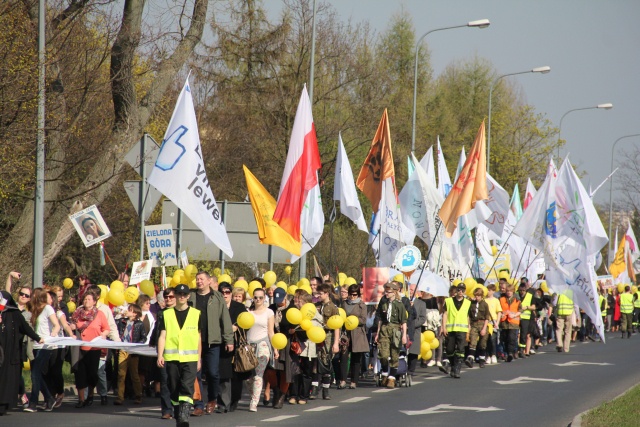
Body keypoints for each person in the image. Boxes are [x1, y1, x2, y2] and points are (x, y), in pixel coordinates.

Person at [188, 271, 234, 415]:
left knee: (213, 373)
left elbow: (225, 319)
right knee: (196, 373)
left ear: (209, 281)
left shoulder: (217, 297)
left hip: (212, 341)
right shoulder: (191, 296)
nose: (199, 281)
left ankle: (212, 398)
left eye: (201, 279)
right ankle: (199, 404)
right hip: (194, 340)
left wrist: (229, 340)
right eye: (197, 279)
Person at [157, 284, 202, 427]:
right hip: (172, 358)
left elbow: (199, 337)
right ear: (175, 295)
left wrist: (199, 357)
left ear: (188, 296)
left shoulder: (196, 314)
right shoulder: (166, 314)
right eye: (179, 294)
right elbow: (162, 336)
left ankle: (184, 416)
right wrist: (160, 355)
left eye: (184, 294)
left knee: (187, 387)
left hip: (190, 359)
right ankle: (178, 414)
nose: (182, 296)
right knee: (174, 389)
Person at [0, 290, 42, 416]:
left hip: (11, 352)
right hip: (1, 351)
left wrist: (38, 338)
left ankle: (4, 404)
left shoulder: (14, 314)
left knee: (8, 380)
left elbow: (26, 328)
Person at [70, 289, 110, 408]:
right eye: (85, 299)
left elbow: (106, 328)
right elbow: (71, 325)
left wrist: (103, 335)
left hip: (94, 349)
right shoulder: (77, 313)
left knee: (92, 374)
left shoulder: (99, 314)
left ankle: (90, 395)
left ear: (94, 302)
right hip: (79, 348)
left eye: (89, 299)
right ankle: (81, 399)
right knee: (80, 374)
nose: (86, 301)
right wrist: (71, 327)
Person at [23, 288, 61, 412]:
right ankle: (49, 398)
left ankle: (33, 403)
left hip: (45, 346)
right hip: (36, 345)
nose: (31, 297)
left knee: (35, 373)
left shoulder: (48, 308)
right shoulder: (35, 310)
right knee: (37, 374)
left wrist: (51, 337)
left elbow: (56, 325)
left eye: (33, 295)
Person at [217, 282, 248, 413]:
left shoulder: (239, 307)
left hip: (236, 346)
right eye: (222, 292)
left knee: (236, 376)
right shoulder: (215, 307)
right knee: (223, 375)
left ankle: (235, 400)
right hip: (221, 345)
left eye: (227, 292)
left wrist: (237, 327)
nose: (225, 295)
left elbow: (247, 323)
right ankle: (223, 403)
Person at [246, 287, 276, 411]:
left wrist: (275, 349)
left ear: (265, 298)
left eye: (261, 297)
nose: (258, 299)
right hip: (249, 346)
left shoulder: (269, 312)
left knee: (258, 375)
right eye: (256, 297)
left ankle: (254, 403)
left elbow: (271, 331)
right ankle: (254, 395)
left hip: (263, 345)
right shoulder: (248, 313)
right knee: (248, 378)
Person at [44, 290, 74, 409]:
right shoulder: (42, 312)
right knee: (46, 371)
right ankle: (50, 396)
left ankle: (60, 393)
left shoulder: (58, 313)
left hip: (58, 346)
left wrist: (71, 334)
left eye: (47, 298)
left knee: (55, 370)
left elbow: (65, 325)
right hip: (46, 345)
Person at [150, 287, 176, 420]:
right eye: (166, 297)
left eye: (171, 297)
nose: (168, 299)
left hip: (179, 353)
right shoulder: (161, 313)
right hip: (164, 351)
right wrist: (152, 341)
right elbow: (158, 329)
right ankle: (166, 410)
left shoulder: (182, 312)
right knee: (164, 381)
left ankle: (178, 408)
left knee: (176, 382)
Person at [374, 282, 408, 387]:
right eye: (386, 291)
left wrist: (404, 335)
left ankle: (392, 378)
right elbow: (379, 318)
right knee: (383, 354)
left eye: (389, 292)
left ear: (394, 292)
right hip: (384, 329)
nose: (386, 294)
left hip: (395, 330)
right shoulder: (383, 302)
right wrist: (378, 332)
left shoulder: (399, 304)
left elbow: (403, 321)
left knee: (394, 354)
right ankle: (384, 372)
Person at [114, 303, 147, 405]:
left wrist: (137, 346)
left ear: (135, 313)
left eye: (129, 310)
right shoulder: (122, 322)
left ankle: (138, 395)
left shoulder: (139, 324)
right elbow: (114, 325)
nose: (127, 311)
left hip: (133, 352)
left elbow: (143, 338)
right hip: (123, 350)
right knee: (121, 374)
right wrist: (119, 314)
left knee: (134, 375)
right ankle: (120, 397)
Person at [339, 284, 370, 387]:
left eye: (354, 295)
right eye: (350, 294)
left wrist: (353, 320)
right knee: (343, 357)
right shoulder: (344, 303)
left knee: (356, 359)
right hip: (346, 334)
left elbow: (364, 319)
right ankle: (343, 380)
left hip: (357, 334)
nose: (352, 297)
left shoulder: (362, 305)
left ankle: (353, 381)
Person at [313, 283, 340, 398]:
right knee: (315, 361)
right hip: (315, 335)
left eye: (320, 293)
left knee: (326, 361)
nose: (318, 295)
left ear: (327, 294)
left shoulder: (333, 308)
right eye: (317, 293)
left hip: (328, 336)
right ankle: (314, 388)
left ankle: (325, 389)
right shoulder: (316, 306)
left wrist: (336, 343)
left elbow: (337, 326)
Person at [441, 283, 470, 379]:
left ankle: (457, 368)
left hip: (462, 329)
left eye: (462, 290)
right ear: (456, 290)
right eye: (459, 290)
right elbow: (445, 314)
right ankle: (453, 365)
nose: (460, 292)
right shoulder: (448, 301)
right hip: (451, 329)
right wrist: (443, 327)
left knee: (460, 350)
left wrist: (468, 328)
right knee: (449, 349)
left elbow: (468, 316)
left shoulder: (468, 302)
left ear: (464, 291)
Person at [467, 287, 492, 368]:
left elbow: (487, 317)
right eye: (475, 296)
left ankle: (482, 360)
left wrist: (484, 328)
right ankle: (470, 358)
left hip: (482, 324)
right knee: (472, 342)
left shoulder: (485, 304)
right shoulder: (472, 303)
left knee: (482, 343)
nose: (476, 297)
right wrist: (469, 326)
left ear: (481, 296)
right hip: (474, 324)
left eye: (478, 296)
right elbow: (469, 316)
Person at [407, 290, 427, 376]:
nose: (410, 291)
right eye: (409, 289)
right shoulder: (403, 300)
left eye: (412, 290)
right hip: (404, 329)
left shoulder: (421, 303)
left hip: (415, 330)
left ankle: (411, 370)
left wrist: (412, 324)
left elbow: (422, 318)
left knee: (413, 351)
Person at [499, 284, 520, 362]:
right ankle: (506, 353)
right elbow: (499, 309)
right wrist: (502, 313)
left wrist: (514, 314)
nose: (509, 292)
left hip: (513, 323)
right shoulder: (501, 299)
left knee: (512, 338)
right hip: (504, 322)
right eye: (507, 291)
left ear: (513, 291)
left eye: (510, 291)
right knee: (504, 339)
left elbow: (520, 310)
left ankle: (510, 353)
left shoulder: (517, 299)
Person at [484, 283, 502, 364]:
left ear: (493, 291)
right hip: (486, 322)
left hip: (493, 322)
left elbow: (499, 312)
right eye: (487, 290)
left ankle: (493, 355)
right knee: (486, 340)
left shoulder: (496, 300)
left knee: (493, 339)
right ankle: (488, 355)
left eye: (490, 290)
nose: (488, 292)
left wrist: (497, 322)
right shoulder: (484, 300)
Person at [517, 283, 535, 357]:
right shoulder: (516, 295)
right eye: (520, 290)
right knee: (517, 334)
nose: (522, 292)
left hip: (526, 318)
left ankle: (522, 349)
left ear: (526, 290)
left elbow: (533, 307)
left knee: (524, 334)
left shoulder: (530, 296)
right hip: (516, 317)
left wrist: (527, 307)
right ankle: (517, 349)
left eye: (523, 290)